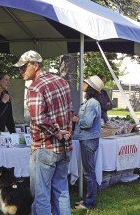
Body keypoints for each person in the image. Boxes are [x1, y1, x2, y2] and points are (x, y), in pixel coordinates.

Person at [14, 50, 73, 215]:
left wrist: (58, 132)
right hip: (65, 147)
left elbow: (39, 119)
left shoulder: (35, 87)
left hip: (44, 147)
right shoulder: (62, 82)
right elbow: (70, 112)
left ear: (35, 65)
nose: (21, 71)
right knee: (61, 191)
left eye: (24, 67)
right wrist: (66, 132)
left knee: (41, 195)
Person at [72, 75, 104, 210]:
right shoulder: (90, 102)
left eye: (86, 82)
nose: (83, 83)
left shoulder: (91, 103)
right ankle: (88, 199)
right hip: (87, 139)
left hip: (88, 140)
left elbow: (87, 123)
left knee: (89, 173)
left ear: (90, 87)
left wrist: (75, 119)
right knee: (88, 171)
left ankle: (89, 202)